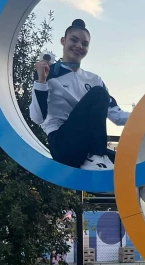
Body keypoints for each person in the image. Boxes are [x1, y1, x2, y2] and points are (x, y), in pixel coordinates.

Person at [28, 19, 130, 171]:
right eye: (74, 40)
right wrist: (41, 80)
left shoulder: (95, 79)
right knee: (98, 93)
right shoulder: (49, 73)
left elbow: (117, 116)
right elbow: (37, 118)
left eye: (85, 44)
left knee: (129, 163)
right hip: (63, 145)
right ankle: (97, 156)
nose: (79, 46)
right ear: (63, 41)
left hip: (87, 147)